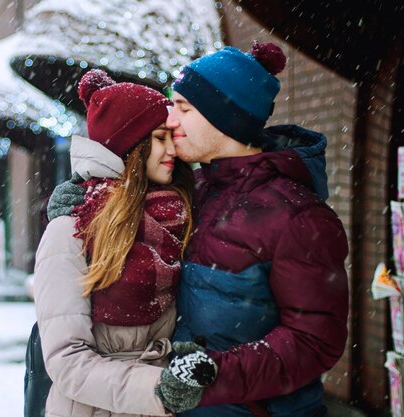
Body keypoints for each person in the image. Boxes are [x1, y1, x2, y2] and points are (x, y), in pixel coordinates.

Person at [48, 42, 349, 416]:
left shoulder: (298, 218)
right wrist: (81, 201)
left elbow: (315, 341)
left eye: (184, 109)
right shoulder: (193, 191)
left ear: (226, 119)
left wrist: (210, 376)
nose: (170, 119)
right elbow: (122, 205)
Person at [33, 70, 218, 417]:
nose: (172, 149)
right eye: (159, 138)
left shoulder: (177, 217)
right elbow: (66, 360)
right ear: (132, 147)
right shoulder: (70, 231)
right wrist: (157, 389)